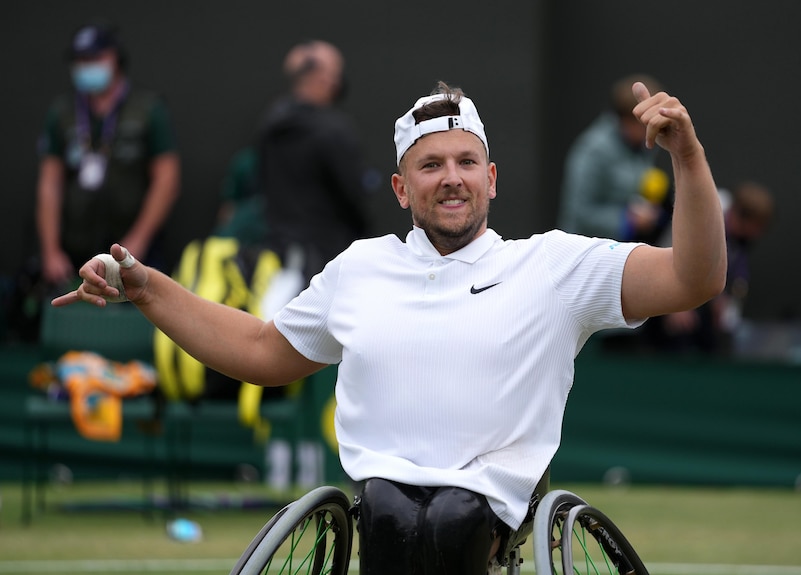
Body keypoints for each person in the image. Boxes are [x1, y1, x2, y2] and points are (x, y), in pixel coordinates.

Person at [55, 80, 726, 575]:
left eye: (466, 163)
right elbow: (260, 350)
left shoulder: (550, 265)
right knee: (392, 514)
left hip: (487, 513)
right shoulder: (360, 268)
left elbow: (694, 278)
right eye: (431, 166)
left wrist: (688, 160)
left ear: (491, 179)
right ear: (403, 189)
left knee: (452, 517)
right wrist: (146, 287)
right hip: (383, 513)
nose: (452, 179)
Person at [35, 21, 180, 291]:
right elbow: (49, 184)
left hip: (135, 248)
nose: (87, 66)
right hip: (75, 247)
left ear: (115, 58)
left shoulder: (148, 110)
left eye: (95, 58)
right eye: (81, 60)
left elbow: (167, 181)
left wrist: (138, 240)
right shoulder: (63, 112)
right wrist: (51, 250)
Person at [256, 40, 371, 303]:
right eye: (335, 74)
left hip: (277, 254)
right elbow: (355, 196)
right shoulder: (335, 131)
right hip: (324, 258)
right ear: (324, 78)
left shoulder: (269, 125)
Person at [648, 181, 774, 354]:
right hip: (663, 294)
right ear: (740, 216)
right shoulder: (701, 213)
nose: (757, 234)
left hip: (696, 300)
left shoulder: (740, 240)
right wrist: (675, 307)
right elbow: (667, 256)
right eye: (757, 227)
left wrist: (719, 299)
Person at [558, 73, 669, 244]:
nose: (651, 128)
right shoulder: (593, 150)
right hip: (584, 255)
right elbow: (580, 212)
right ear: (627, 120)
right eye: (644, 123)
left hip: (621, 250)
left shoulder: (642, 147)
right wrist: (628, 220)